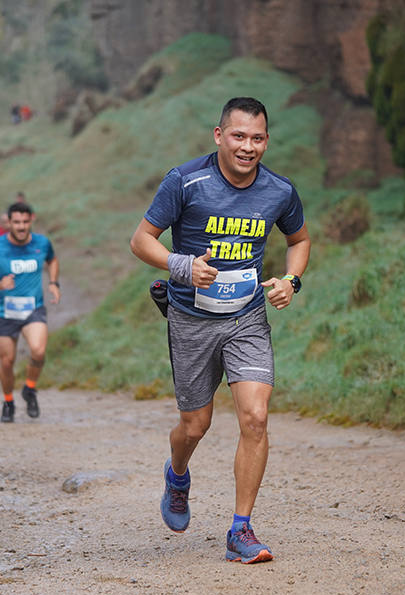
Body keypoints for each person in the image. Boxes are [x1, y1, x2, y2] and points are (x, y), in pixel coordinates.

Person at [129, 96, 311, 564]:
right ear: (219, 135)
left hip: (247, 318)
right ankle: (177, 475)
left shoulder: (279, 191)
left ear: (266, 141)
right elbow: (141, 240)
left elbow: (300, 240)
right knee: (196, 425)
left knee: (255, 417)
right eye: (238, 136)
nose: (247, 146)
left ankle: (240, 530)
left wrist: (291, 280)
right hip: (191, 320)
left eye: (256, 138)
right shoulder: (186, 181)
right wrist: (182, 265)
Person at [0, 202, 61, 423]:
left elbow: (52, 260)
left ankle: (30, 388)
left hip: (33, 309)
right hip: (5, 312)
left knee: (38, 351)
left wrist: (54, 283)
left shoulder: (42, 243)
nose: (21, 227)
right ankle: (8, 401)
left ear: (31, 220)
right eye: (16, 222)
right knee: (7, 362)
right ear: (9, 222)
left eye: (25, 222)